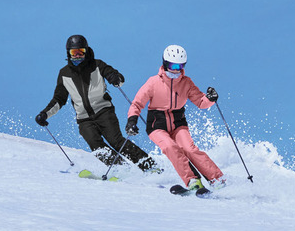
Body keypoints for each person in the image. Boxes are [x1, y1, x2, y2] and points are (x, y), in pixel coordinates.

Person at [36, 34, 159, 172]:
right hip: (84, 119)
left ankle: (149, 166)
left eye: (80, 52)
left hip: (104, 111)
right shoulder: (64, 74)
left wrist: (115, 78)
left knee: (116, 141)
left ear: (86, 51)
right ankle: (121, 169)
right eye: (73, 53)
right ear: (68, 53)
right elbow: (59, 99)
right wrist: (45, 114)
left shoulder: (97, 65)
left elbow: (119, 77)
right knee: (96, 146)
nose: (77, 56)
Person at [125, 44, 226, 191]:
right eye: (172, 65)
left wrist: (210, 99)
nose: (175, 70)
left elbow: (200, 102)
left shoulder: (186, 82)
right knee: (170, 147)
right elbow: (137, 103)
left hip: (178, 124)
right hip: (157, 126)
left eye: (179, 66)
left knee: (189, 149)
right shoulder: (153, 82)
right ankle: (192, 181)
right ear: (165, 63)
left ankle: (217, 179)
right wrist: (132, 120)